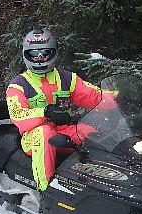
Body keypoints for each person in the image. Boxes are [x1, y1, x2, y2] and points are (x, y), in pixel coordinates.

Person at [6, 28, 102, 191]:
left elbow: (92, 95)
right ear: (26, 55)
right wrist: (44, 113)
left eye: (44, 53)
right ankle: (45, 190)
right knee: (45, 135)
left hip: (64, 130)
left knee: (91, 133)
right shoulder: (18, 85)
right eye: (34, 54)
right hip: (33, 136)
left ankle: (100, 186)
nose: (39, 58)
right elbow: (18, 115)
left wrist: (117, 98)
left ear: (53, 53)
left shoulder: (66, 78)